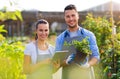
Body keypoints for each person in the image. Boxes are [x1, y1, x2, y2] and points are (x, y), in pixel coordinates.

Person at [55, 4, 100, 79]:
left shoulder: (88, 35)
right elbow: (57, 62)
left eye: (73, 15)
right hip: (68, 76)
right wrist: (66, 62)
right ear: (65, 18)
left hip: (85, 75)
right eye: (68, 16)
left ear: (78, 16)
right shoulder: (60, 38)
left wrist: (88, 64)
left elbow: (96, 56)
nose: (71, 19)